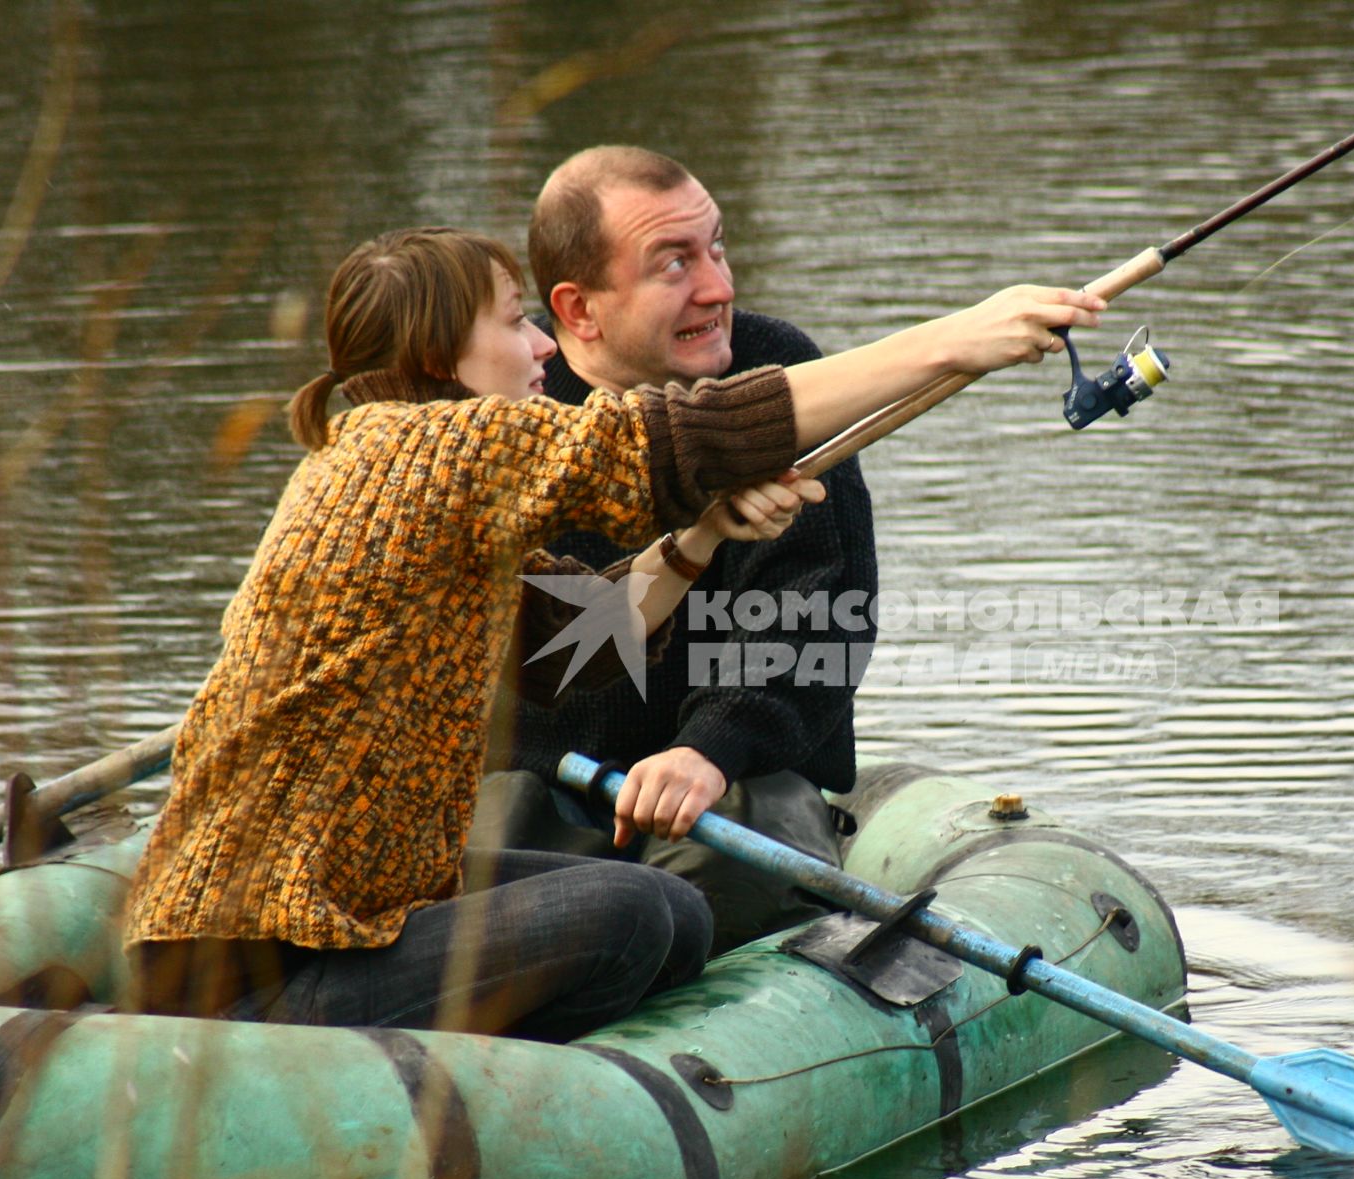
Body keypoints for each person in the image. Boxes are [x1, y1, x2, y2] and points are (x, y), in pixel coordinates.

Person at [124, 225, 1104, 1040]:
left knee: (661, 911)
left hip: (342, 913)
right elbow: (680, 438)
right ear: (436, 363)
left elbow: (580, 644)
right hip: (258, 962)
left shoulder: (381, 469)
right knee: (646, 908)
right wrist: (955, 341)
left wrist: (710, 529)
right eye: (515, 324)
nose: (543, 346)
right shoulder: (426, 447)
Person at [484, 145, 878, 954]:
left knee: (724, 862)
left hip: (729, 786)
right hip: (548, 791)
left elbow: (819, 616)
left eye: (718, 248)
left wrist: (709, 748)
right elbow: (546, 658)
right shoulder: (506, 410)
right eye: (674, 264)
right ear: (579, 308)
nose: (719, 288)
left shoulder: (780, 374)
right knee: (474, 865)